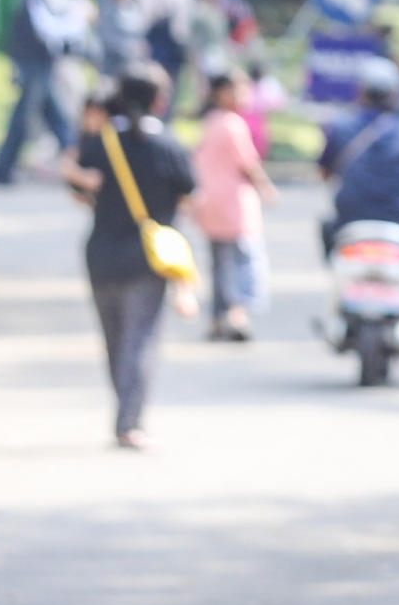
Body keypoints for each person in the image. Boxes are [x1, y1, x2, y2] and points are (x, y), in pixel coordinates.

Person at [63, 67, 198, 450]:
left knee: (116, 339)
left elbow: (78, 188)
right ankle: (129, 421)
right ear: (160, 99)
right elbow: (189, 195)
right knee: (140, 340)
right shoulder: (169, 145)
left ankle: (124, 411)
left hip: (101, 255)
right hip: (148, 258)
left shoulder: (99, 142)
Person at [0, 0, 92, 186]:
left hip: (42, 68)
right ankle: (3, 169)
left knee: (55, 119)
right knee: (26, 120)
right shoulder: (31, 1)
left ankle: (77, 162)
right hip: (33, 69)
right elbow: (49, 31)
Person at [320, 59, 399, 252]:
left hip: (350, 219)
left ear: (361, 92)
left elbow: (325, 173)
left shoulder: (339, 128)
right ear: (396, 93)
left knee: (327, 228)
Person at [189, 65, 276, 341]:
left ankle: (217, 319)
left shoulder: (212, 121)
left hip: (210, 204)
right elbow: (248, 164)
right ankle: (237, 315)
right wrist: (266, 188)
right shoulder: (232, 123)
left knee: (219, 265)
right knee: (242, 262)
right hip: (234, 207)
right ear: (223, 94)